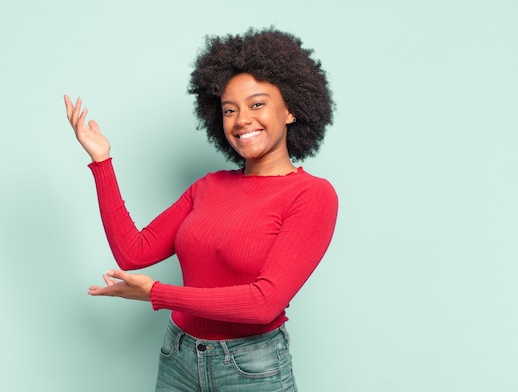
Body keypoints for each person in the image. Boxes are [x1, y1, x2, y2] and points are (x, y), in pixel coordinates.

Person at [64, 27, 338, 391]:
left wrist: (158, 293)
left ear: (290, 109)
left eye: (257, 104)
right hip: (178, 355)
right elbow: (133, 252)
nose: (241, 119)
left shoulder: (311, 195)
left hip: (251, 366)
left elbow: (263, 303)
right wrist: (102, 161)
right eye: (229, 109)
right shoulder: (208, 186)